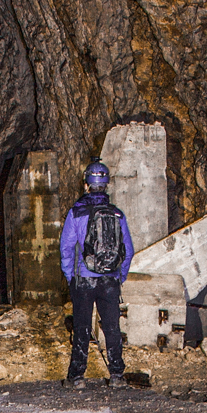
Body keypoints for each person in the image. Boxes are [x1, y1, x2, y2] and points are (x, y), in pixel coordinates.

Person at [57, 161, 132, 387]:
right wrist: (120, 276)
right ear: (106, 183)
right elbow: (127, 250)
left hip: (84, 279)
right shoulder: (117, 214)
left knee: (82, 327)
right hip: (110, 279)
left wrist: (70, 276)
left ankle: (77, 377)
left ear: (86, 183)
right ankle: (117, 376)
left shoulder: (76, 212)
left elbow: (66, 249)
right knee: (111, 327)